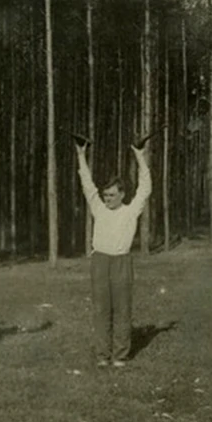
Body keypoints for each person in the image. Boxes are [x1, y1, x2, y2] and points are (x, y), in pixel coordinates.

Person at [75, 139, 152, 367]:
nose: (106, 199)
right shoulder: (98, 208)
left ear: (121, 194)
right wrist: (81, 155)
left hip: (121, 262)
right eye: (105, 195)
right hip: (100, 261)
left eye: (111, 195)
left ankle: (120, 355)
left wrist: (139, 156)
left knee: (122, 309)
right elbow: (87, 184)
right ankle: (102, 355)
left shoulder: (130, 211)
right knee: (101, 309)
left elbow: (145, 187)